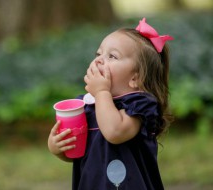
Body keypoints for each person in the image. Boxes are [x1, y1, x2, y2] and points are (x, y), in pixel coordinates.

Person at [48, 18, 174, 190]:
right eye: (98, 54)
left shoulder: (140, 105)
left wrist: (101, 92)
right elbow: (78, 153)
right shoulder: (86, 105)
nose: (99, 60)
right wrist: (59, 149)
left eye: (112, 56)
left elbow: (114, 132)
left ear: (135, 78)